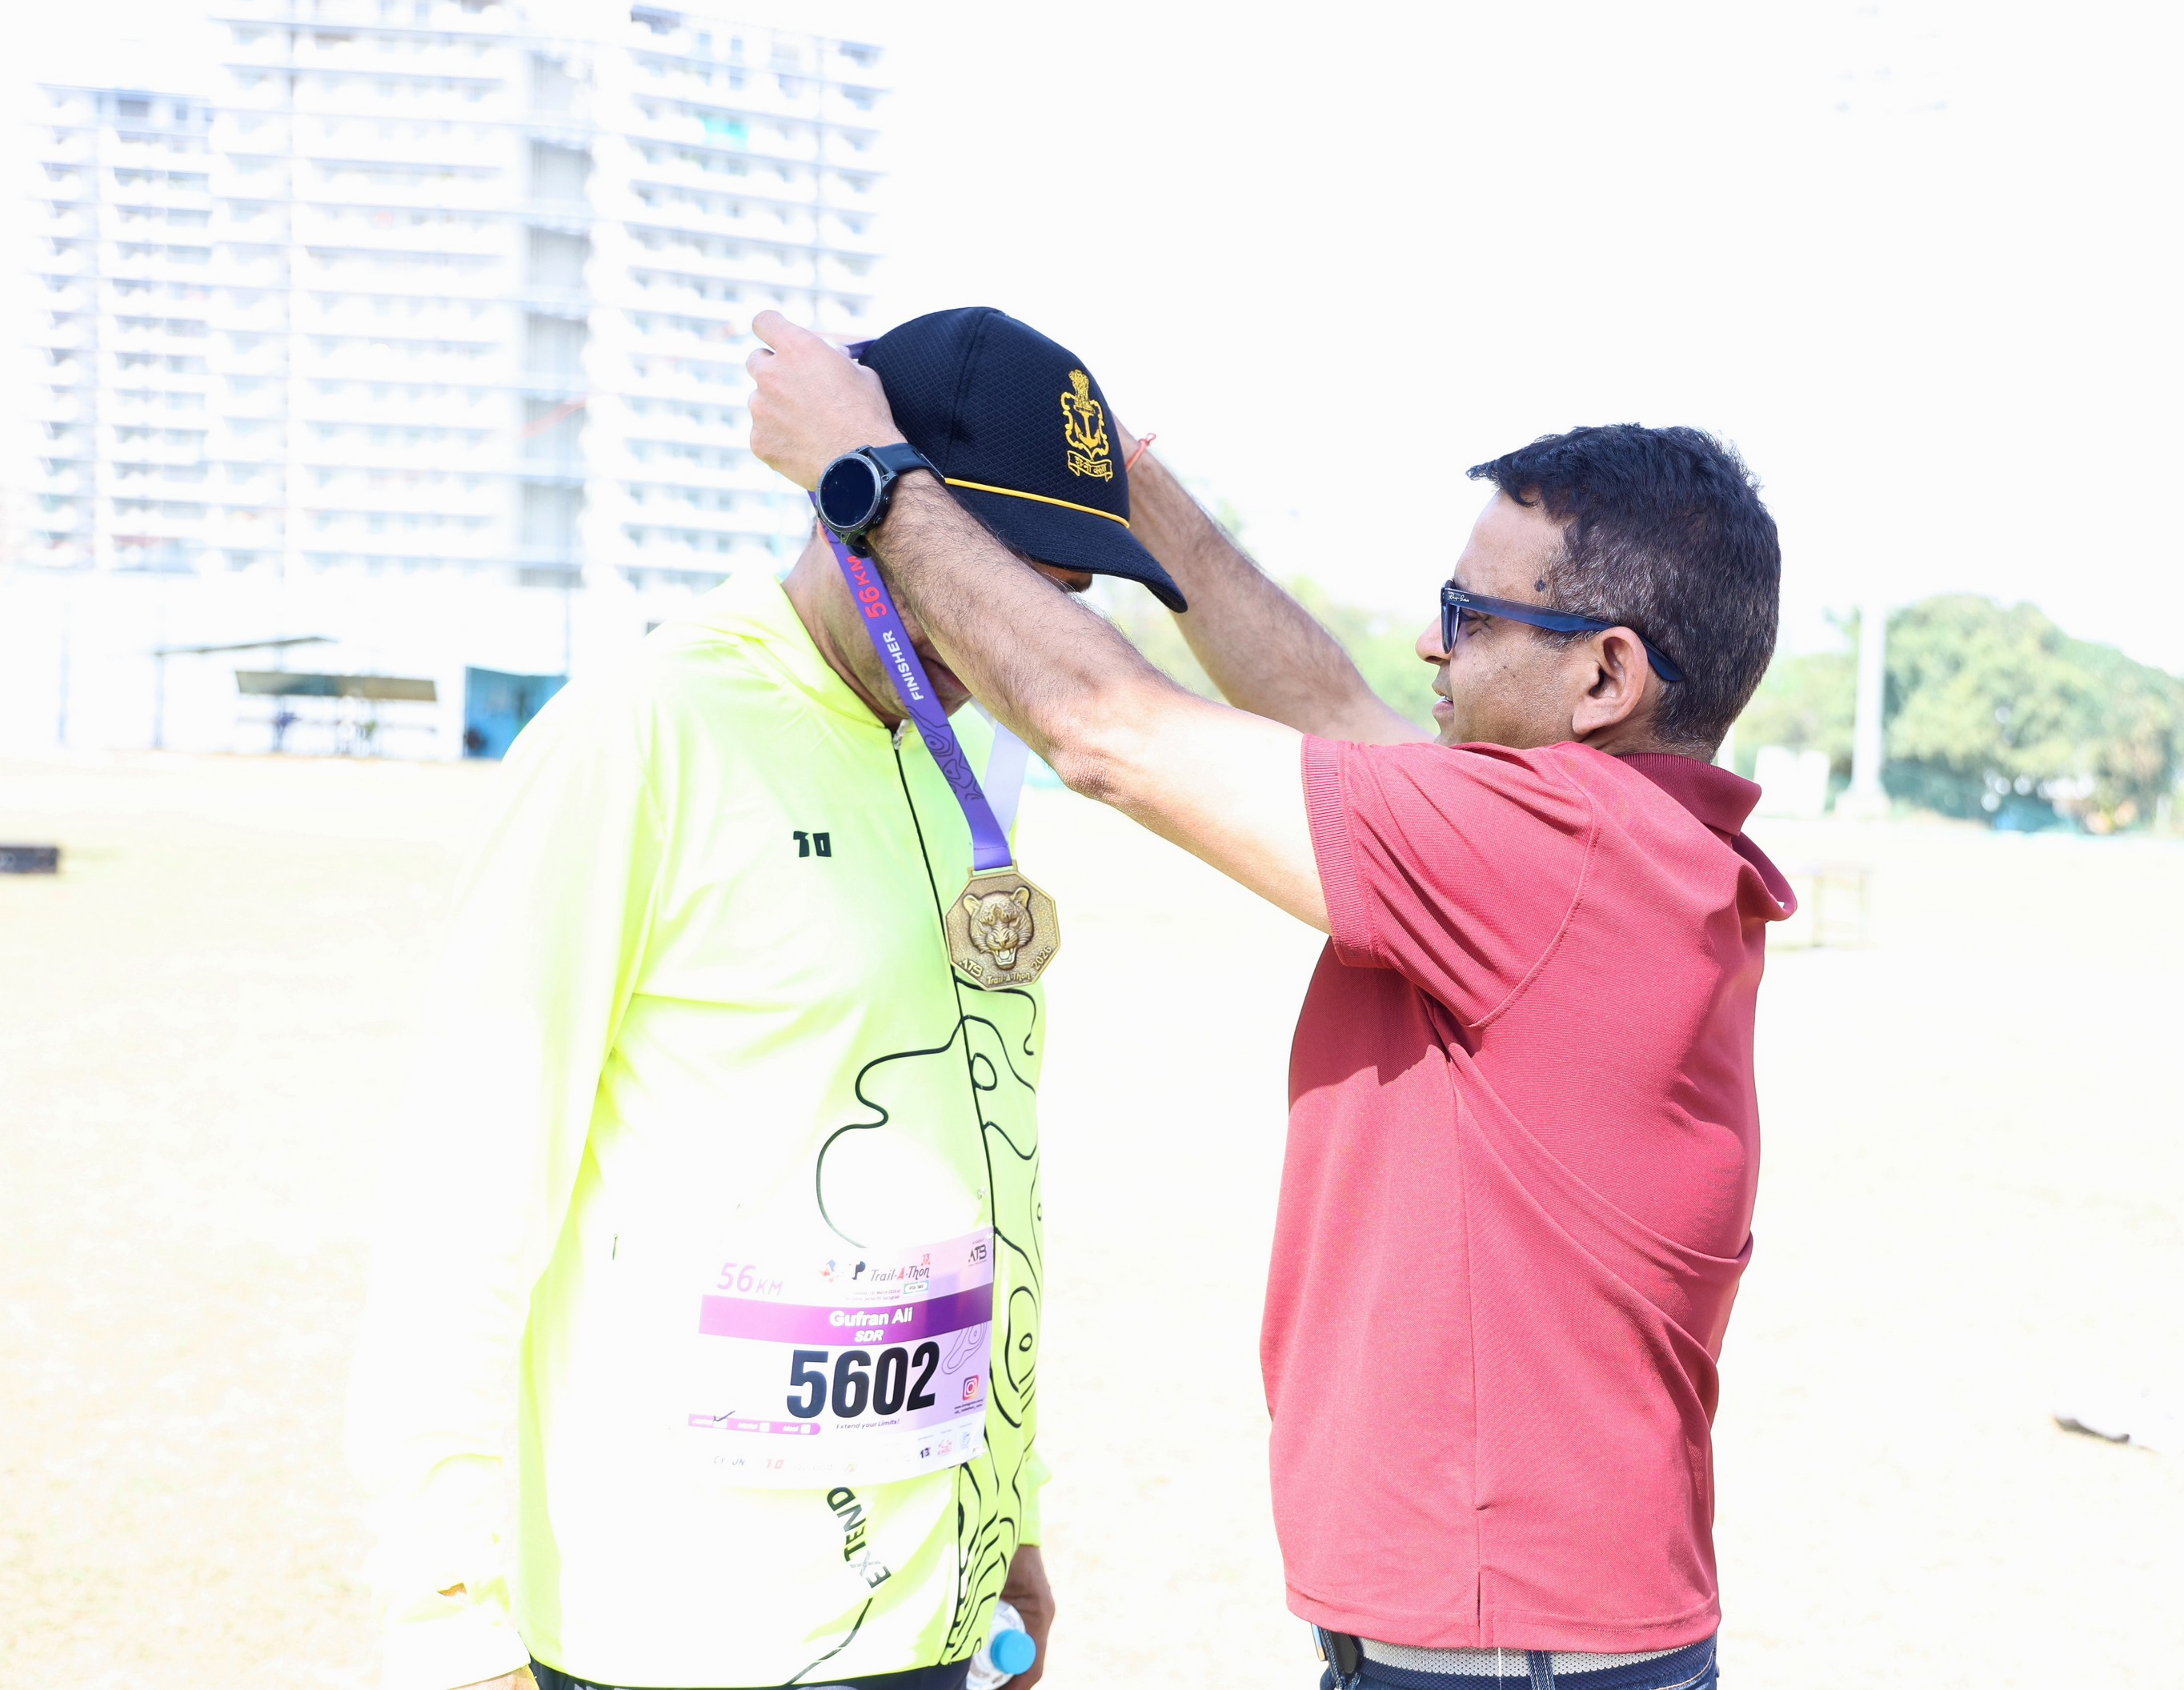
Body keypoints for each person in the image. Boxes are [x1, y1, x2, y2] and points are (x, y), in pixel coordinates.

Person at [747, 308, 1794, 1690]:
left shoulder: (1554, 849)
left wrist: (870, 477)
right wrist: (1137, 491)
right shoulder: (1623, 845)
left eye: (1472, 616)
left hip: (1505, 1651)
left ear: (1605, 673)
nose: (1429, 642)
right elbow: (1332, 713)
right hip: (1524, 1635)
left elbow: (1108, 730)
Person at [349, 310, 1188, 1690]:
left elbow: (984, 1159)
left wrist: (1010, 1510)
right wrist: (450, 1624)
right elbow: (467, 1193)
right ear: (875, 513)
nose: (1027, 632)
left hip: (927, 1620)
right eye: (1005, 574)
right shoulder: (643, 733)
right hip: (677, 1631)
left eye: (1062, 592)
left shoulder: (974, 763)